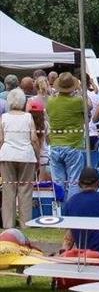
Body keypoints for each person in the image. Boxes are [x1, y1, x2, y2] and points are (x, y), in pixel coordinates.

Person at [46, 73, 88, 201]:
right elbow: (89, 109)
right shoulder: (78, 101)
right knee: (74, 181)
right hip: (73, 145)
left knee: (58, 183)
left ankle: (59, 211)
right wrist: (80, 91)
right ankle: (71, 210)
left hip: (54, 145)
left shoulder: (51, 101)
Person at [0, 88, 38, 228]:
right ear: (23, 102)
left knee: (8, 189)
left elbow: (1, 139)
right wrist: (37, 154)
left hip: (7, 155)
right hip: (26, 156)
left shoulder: (4, 117)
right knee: (25, 190)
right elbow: (34, 139)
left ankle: (8, 224)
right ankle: (25, 223)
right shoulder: (28, 117)